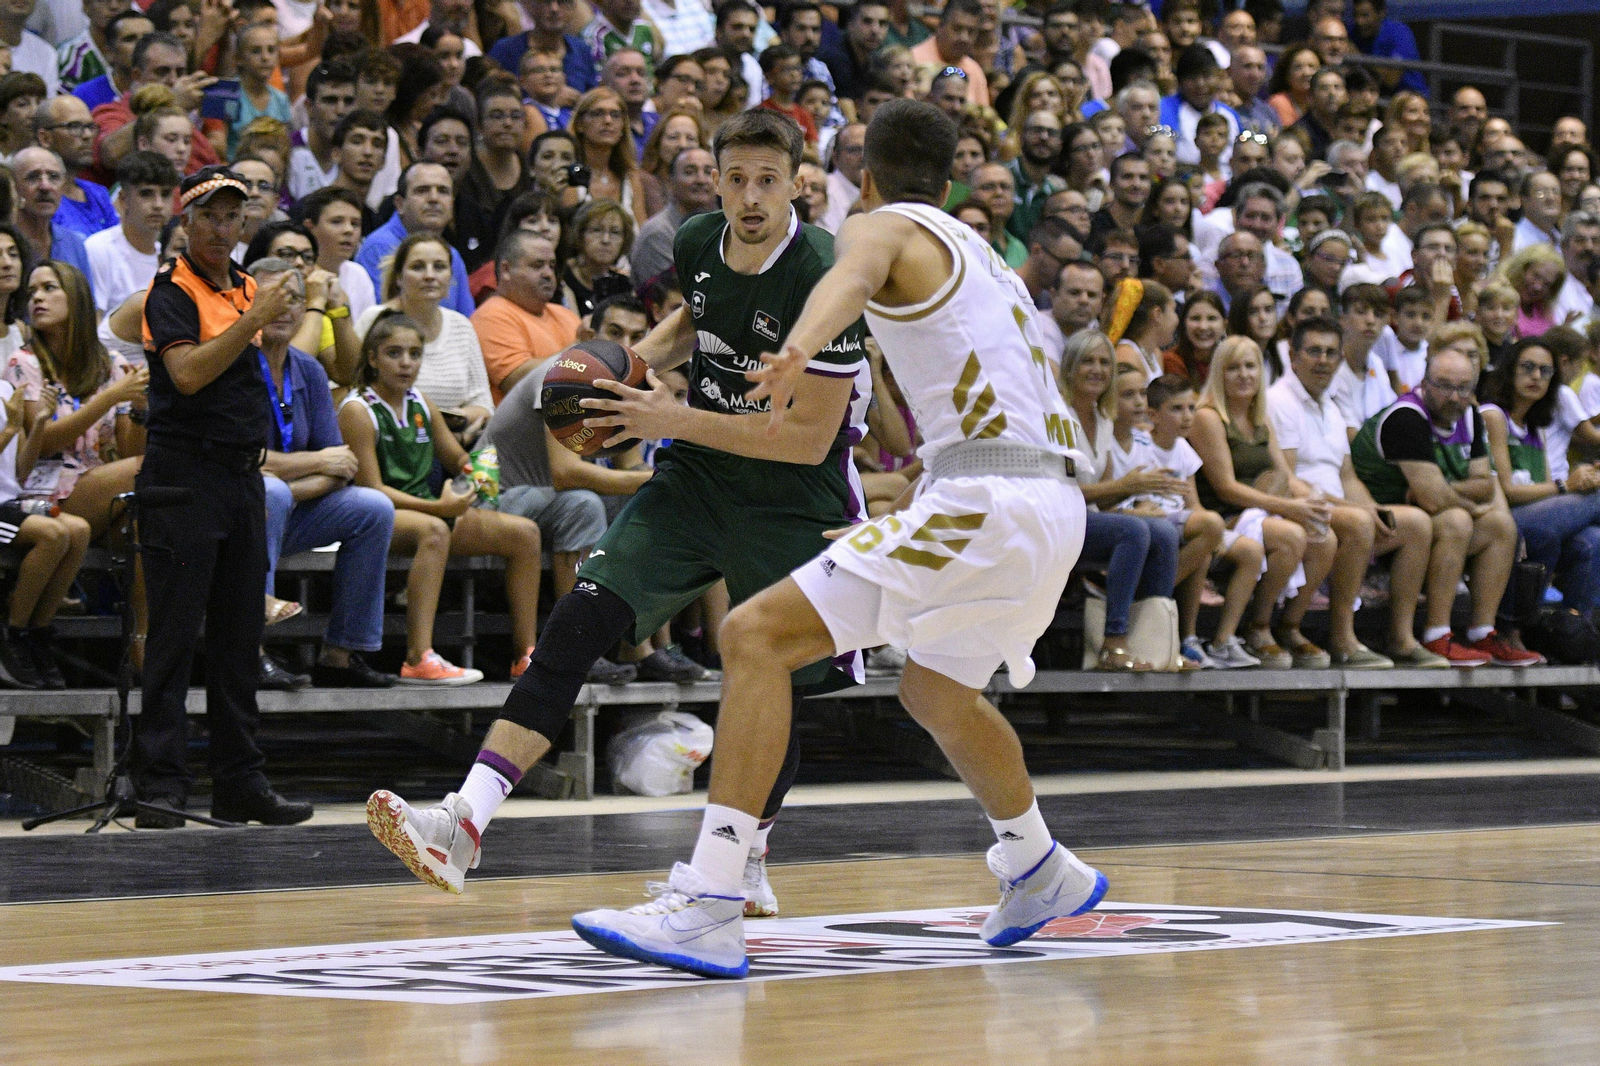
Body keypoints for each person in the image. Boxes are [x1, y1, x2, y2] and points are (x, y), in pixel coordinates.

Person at [563, 98, 1107, 978]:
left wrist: (795, 349)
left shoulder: (882, 225)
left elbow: (848, 281)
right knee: (936, 692)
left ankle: (709, 900)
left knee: (752, 635)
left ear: (868, 175)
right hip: (1050, 503)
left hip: (988, 496)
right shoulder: (988, 256)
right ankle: (1041, 865)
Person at [366, 110, 872, 922]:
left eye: (766, 182)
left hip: (792, 497)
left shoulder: (825, 273)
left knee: (772, 679)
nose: (748, 197)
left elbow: (807, 437)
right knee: (577, 621)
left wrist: (667, 419)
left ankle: (744, 856)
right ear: (714, 175)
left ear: (796, 185)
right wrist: (624, 364)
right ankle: (464, 821)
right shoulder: (700, 240)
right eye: (734, 178)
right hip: (699, 479)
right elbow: (692, 323)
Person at [131, 166, 310, 827]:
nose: (220, 227)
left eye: (232, 216)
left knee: (239, 639)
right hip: (183, 476)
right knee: (175, 637)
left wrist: (265, 311)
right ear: (187, 222)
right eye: (208, 215)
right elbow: (186, 375)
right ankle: (160, 785)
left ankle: (240, 781)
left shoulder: (245, 287)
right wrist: (254, 320)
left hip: (241, 477)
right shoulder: (170, 292)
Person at [339, 311, 543, 684]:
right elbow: (372, 491)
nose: (406, 363)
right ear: (372, 358)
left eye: (414, 354)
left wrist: (479, 471)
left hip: (430, 510)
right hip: (381, 516)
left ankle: (526, 656)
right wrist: (442, 506)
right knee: (434, 530)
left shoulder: (420, 401)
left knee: (525, 534)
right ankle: (418, 657)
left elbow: (457, 458)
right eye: (394, 353)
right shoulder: (357, 409)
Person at [248, 255, 397, 690]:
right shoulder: (234, 364)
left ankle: (340, 655)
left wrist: (287, 484)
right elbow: (240, 460)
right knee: (267, 492)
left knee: (373, 507)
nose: (286, 308)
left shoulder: (309, 369)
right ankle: (250, 651)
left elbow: (342, 464)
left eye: (295, 298)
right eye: (273, 297)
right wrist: (307, 469)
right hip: (238, 513)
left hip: (288, 506)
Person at [1351, 344, 1540, 667]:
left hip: (1427, 525)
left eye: (1463, 388)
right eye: (1444, 386)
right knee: (1456, 520)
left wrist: (1454, 493)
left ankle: (1483, 632)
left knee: (1500, 525)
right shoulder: (1406, 418)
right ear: (1424, 383)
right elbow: (1433, 500)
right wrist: (1468, 502)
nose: (1454, 397)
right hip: (1384, 526)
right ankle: (1437, 634)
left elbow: (1484, 485)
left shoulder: (1471, 416)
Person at [1267, 317, 1433, 668]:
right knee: (1358, 522)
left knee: (1415, 523)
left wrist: (1372, 507)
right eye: (1313, 351)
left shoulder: (1332, 406)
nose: (1323, 360)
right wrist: (1356, 511)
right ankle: (1343, 638)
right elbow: (1289, 480)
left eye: (1331, 352)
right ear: (1293, 357)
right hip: (1299, 507)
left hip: (1338, 507)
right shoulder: (1278, 402)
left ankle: (1401, 637)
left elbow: (1348, 475)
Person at [1058, 329, 1181, 671]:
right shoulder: (1057, 417)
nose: (1097, 369)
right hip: (1055, 519)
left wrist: (1136, 504)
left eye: (1104, 362)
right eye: (1087, 361)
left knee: (1163, 532)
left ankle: (1157, 643)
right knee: (1133, 531)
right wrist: (1130, 487)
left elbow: (1107, 490)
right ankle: (1113, 641)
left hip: (1090, 520)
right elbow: (1056, 493)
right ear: (1069, 368)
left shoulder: (1102, 418)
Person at [1481, 337, 1600, 629]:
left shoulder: (1536, 428)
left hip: (1535, 516)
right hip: (1499, 518)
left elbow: (1546, 497)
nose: (1536, 376)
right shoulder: (1493, 416)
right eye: (1528, 367)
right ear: (1510, 371)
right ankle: (1514, 627)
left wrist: (1583, 480)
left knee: (1593, 540)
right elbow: (1507, 491)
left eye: (1545, 371)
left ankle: (1574, 631)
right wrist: (1567, 486)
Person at [356, 232, 492, 448]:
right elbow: (354, 394)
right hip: (390, 442)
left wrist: (457, 417)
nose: (430, 275)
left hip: (456, 438)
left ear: (451, 276)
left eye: (439, 267)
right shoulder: (375, 320)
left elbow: (484, 405)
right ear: (399, 277)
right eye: (418, 267)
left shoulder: (461, 326)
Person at [353, 161, 476, 319]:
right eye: (422, 190)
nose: (434, 198)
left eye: (443, 191)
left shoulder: (452, 255)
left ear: (452, 203)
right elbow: (382, 321)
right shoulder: (379, 247)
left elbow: (466, 320)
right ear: (400, 204)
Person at [471, 231, 580, 404]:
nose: (548, 274)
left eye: (551, 266)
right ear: (506, 270)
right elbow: (517, 381)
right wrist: (581, 351)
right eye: (537, 266)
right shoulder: (491, 315)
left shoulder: (565, 315)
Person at [85, 150, 178, 319]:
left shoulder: (169, 255)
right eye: (146, 194)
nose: (158, 205)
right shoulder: (99, 248)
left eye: (165, 194)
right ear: (123, 199)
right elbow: (92, 326)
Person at [631, 145, 717, 290]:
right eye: (690, 172)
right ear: (670, 182)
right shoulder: (657, 234)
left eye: (708, 172)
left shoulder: (728, 225)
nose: (701, 180)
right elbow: (675, 295)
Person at [12, 147, 91, 297]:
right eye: (33, 177)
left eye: (54, 177)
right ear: (14, 187)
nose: (45, 186)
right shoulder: (4, 245)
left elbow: (86, 308)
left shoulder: (74, 244)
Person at [34, 94, 117, 237]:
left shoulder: (98, 193)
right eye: (74, 126)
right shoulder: (40, 197)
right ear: (45, 138)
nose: (87, 135)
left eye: (90, 127)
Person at [293, 185, 376, 322]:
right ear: (309, 228)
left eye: (355, 224)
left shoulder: (358, 274)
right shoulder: (297, 272)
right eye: (337, 222)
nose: (349, 230)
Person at [1328, 282, 1397, 434]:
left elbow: (1392, 414)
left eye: (1378, 314)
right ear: (1343, 319)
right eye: (1361, 312)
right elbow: (1351, 437)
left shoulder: (1376, 363)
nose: (1371, 320)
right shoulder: (1331, 367)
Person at [287, 59, 359, 202]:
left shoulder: (363, 155)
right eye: (330, 100)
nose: (340, 111)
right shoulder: (287, 152)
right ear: (309, 107)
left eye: (348, 102)